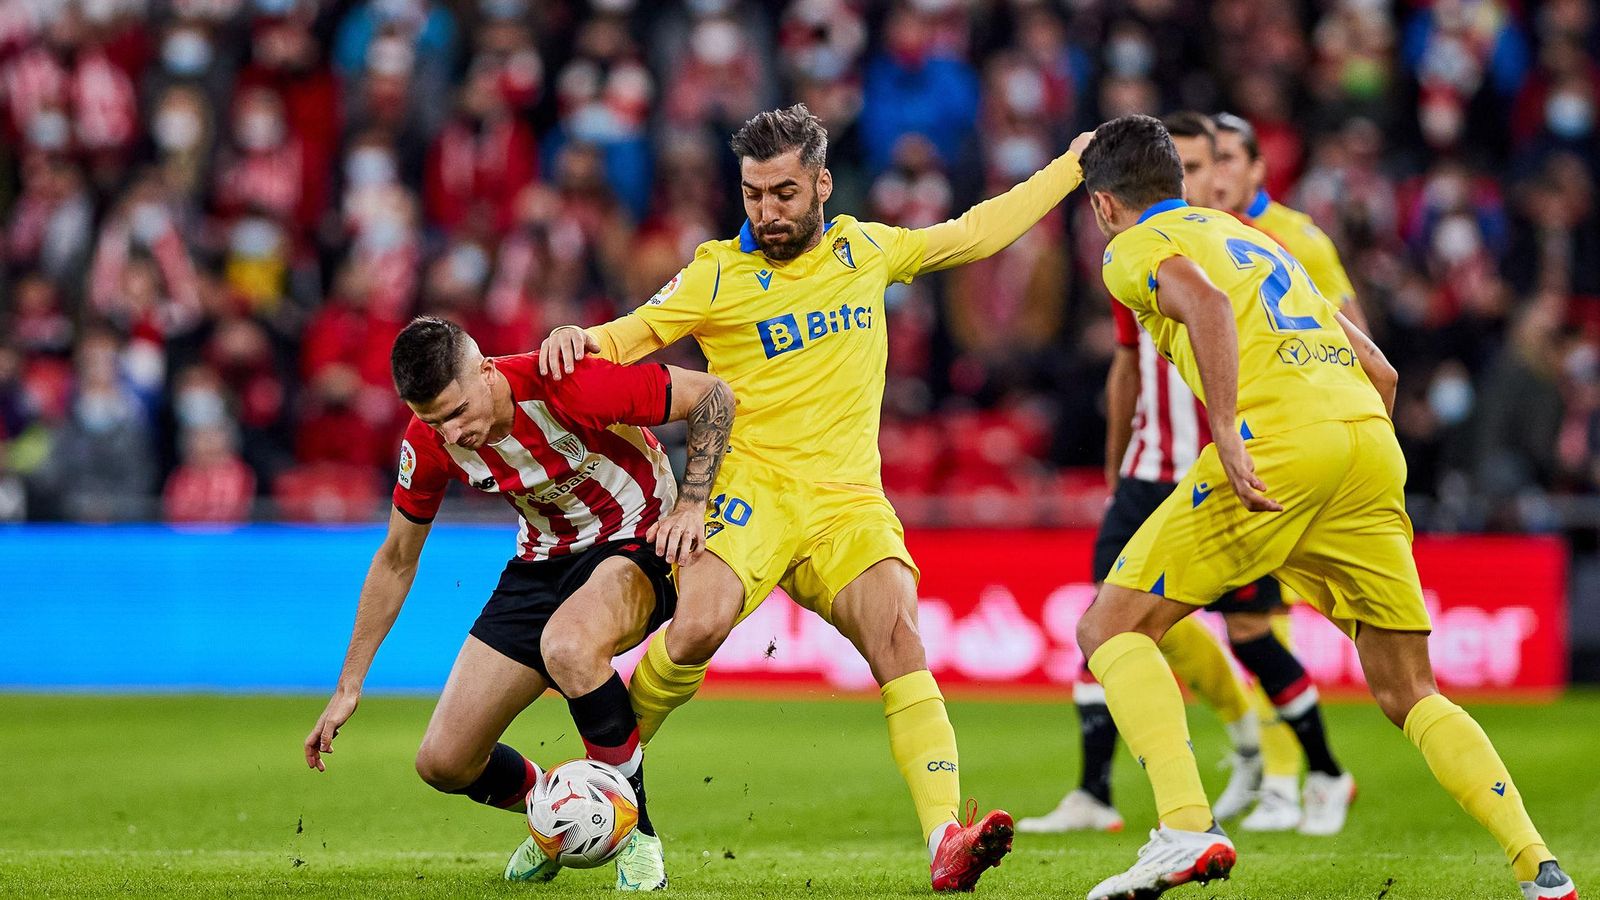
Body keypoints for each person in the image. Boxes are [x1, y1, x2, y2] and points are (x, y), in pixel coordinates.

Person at [541, 103, 1092, 891]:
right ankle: (600, 785)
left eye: (785, 193)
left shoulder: (864, 247)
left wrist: (1070, 165)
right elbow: (626, 337)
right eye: (754, 194)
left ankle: (945, 836)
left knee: (899, 636)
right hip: (750, 491)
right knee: (693, 629)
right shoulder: (715, 273)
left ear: (823, 183)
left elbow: (975, 233)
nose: (767, 211)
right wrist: (570, 341)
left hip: (845, 502)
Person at [1074, 114, 1577, 900]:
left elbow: (1202, 305)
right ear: (1178, 180)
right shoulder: (1260, 239)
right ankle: (1538, 866)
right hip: (1367, 445)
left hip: (1279, 443)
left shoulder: (1129, 249)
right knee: (1410, 690)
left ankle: (1182, 828)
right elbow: (1380, 369)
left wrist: (1233, 435)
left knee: (1110, 626)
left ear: (1105, 205)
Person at [303, 316, 736, 892]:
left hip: (636, 538)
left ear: (485, 372)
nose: (452, 433)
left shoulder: (566, 382)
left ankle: (639, 836)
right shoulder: (429, 441)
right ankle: (557, 817)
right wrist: (349, 684)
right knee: (444, 762)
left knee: (570, 646)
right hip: (541, 564)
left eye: (457, 412)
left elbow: (713, 395)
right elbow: (396, 559)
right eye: (434, 421)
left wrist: (691, 504)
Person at [1021, 111, 1271, 837]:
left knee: (1250, 626)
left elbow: (1224, 313)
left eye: (1208, 162)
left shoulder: (1242, 245)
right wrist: (1115, 452)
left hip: (1224, 459)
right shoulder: (1143, 255)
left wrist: (1227, 427)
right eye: (1189, 163)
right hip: (1149, 463)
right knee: (1108, 617)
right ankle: (1098, 789)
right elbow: (1128, 361)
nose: (1204, 176)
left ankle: (1270, 754)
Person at [1203, 111, 1364, 832]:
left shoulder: (1299, 239)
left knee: (1259, 620)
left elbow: (1353, 338)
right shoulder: (1203, 237)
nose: (1219, 172)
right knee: (1246, 622)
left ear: (1259, 169)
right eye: (1209, 160)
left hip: (1294, 447)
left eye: (1232, 157)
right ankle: (1285, 770)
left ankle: (1292, 776)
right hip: (1235, 446)